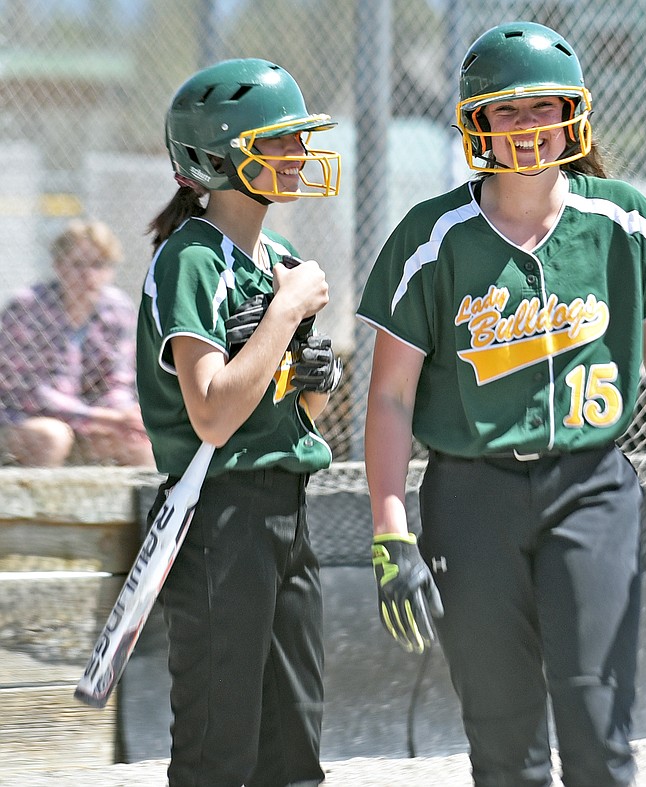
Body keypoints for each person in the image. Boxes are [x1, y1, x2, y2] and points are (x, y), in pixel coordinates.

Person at [357, 21, 646, 787]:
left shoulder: (622, 220)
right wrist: (389, 526)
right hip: (471, 493)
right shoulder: (432, 237)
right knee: (503, 743)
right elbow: (390, 398)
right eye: (507, 110)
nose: (528, 127)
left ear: (575, 113)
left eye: (543, 107)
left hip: (590, 487)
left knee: (599, 730)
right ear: (476, 122)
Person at [136, 58, 342, 787]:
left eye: (297, 140)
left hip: (287, 508)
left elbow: (297, 416)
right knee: (218, 751)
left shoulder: (279, 258)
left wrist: (314, 379)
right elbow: (214, 412)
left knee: (294, 752)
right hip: (219, 515)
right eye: (278, 142)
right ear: (219, 156)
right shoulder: (189, 258)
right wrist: (284, 313)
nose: (298, 156)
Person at [0, 219, 153, 467]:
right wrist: (104, 418)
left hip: (89, 420)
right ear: (58, 266)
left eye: (98, 265)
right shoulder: (27, 308)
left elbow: (116, 382)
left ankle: (147, 506)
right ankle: (43, 507)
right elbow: (31, 396)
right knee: (53, 436)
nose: (88, 275)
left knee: (139, 438)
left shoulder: (117, 310)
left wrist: (125, 416)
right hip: (21, 419)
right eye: (78, 264)